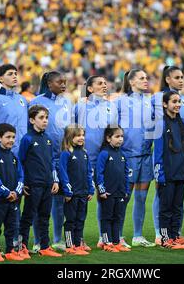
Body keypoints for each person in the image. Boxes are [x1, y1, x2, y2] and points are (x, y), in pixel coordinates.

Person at [29, 71, 73, 252]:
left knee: (60, 200)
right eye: (59, 81)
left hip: (62, 156)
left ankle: (57, 239)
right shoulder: (36, 102)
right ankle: (38, 240)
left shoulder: (68, 102)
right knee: (39, 201)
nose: (63, 84)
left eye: (65, 81)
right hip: (42, 157)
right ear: (49, 82)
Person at [74, 76, 119, 248]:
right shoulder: (81, 106)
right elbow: (73, 130)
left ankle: (104, 237)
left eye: (105, 83)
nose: (104, 85)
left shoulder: (111, 106)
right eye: (100, 83)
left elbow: (113, 132)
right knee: (80, 199)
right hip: (83, 158)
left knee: (105, 198)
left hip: (105, 159)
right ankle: (78, 238)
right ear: (90, 88)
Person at [151, 66, 184, 246]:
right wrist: (159, 174)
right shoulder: (160, 124)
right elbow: (158, 152)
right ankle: (165, 238)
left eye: (179, 102)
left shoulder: (183, 123)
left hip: (180, 171)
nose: (177, 104)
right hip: (167, 172)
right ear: (165, 105)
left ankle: (175, 236)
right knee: (165, 208)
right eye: (174, 102)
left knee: (177, 206)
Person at [117, 69, 156, 248]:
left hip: (146, 155)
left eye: (146, 78)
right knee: (124, 197)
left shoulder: (150, 102)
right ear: (131, 82)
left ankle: (138, 236)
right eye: (142, 78)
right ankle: (117, 235)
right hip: (128, 155)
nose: (145, 80)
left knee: (141, 198)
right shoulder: (121, 102)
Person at [18, 105, 62, 257]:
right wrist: (22, 182)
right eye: (41, 118)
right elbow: (21, 162)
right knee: (28, 216)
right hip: (32, 185)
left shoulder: (48, 140)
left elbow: (51, 162)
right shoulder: (27, 139)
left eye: (46, 118)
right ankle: (21, 246)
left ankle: (44, 246)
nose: (45, 121)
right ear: (32, 120)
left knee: (44, 216)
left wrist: (55, 180)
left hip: (47, 184)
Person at [0, 123, 26, 262]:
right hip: (0, 200)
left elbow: (21, 176)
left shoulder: (14, 157)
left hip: (14, 199)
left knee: (12, 226)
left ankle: (10, 250)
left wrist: (16, 191)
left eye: (13, 137)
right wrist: (7, 192)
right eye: (8, 137)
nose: (11, 140)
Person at [59, 124, 95, 255]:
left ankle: (78, 244)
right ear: (70, 137)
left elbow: (89, 172)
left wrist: (90, 189)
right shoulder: (66, 153)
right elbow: (63, 173)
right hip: (72, 195)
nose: (82, 138)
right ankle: (70, 245)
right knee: (71, 220)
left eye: (83, 135)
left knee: (80, 219)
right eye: (78, 135)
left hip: (83, 193)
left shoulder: (84, 153)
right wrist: (68, 191)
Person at [96, 125, 131, 252]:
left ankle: (116, 242)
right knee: (107, 218)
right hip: (108, 193)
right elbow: (98, 174)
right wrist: (102, 190)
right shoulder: (104, 154)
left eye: (122, 136)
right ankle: (106, 242)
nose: (120, 139)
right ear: (108, 138)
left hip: (120, 193)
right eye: (117, 136)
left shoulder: (123, 155)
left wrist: (126, 190)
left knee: (117, 218)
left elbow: (126, 174)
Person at [0, 63, 28, 156]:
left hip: (23, 152)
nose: (14, 76)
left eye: (15, 74)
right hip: (2, 152)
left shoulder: (22, 99)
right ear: (1, 78)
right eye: (10, 74)